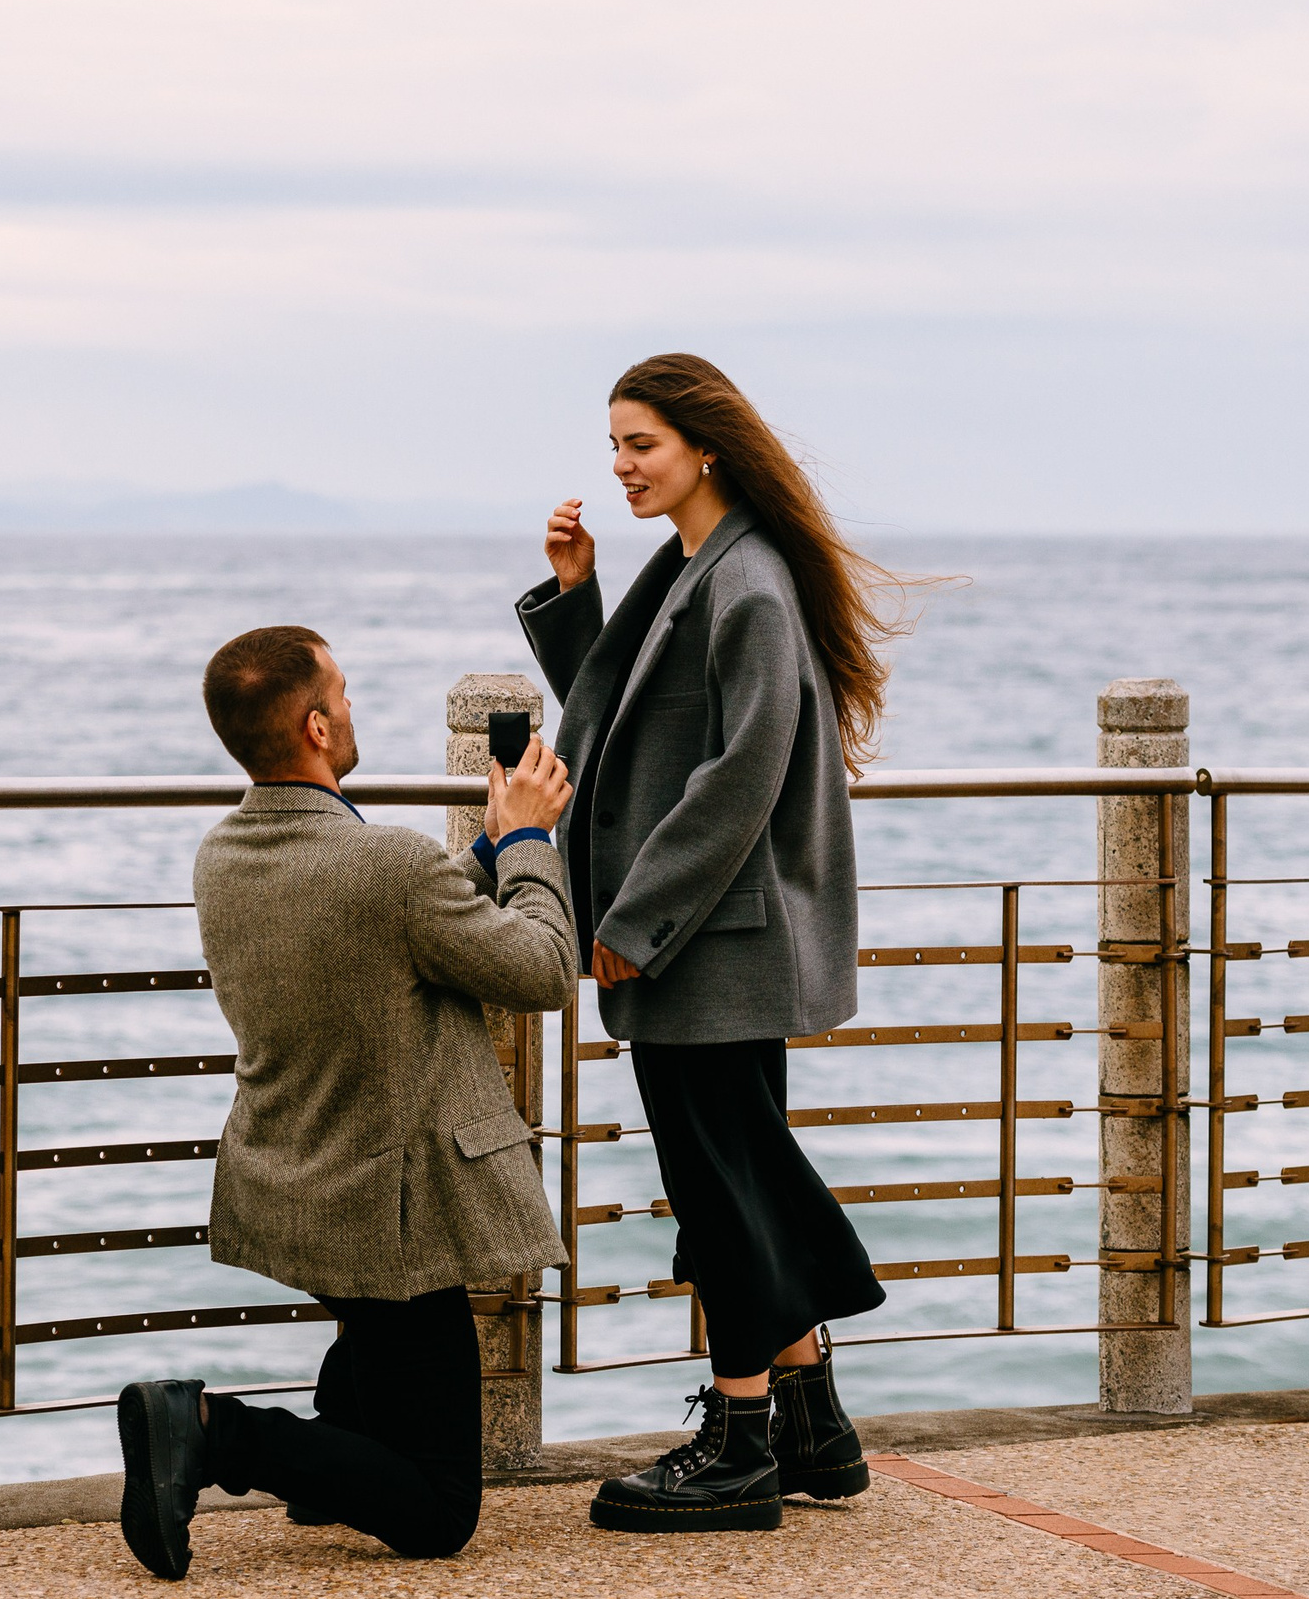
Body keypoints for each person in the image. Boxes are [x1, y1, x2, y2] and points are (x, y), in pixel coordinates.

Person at [516, 353, 900, 1534]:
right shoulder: (700, 566)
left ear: (706, 446)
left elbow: (740, 776)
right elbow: (630, 719)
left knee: (719, 1191)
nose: (621, 467)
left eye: (641, 444)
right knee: (734, 1174)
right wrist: (575, 593)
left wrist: (635, 922)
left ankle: (738, 1441)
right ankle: (811, 1426)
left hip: (706, 941)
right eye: (615, 445)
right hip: (706, 938)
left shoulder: (747, 582)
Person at [115, 625, 577, 1581]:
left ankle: (332, 1463)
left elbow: (380, 925)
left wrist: (487, 847)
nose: (354, 707)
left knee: (375, 1375)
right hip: (393, 1220)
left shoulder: (222, 856)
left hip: (294, 1182)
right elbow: (541, 969)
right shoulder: (388, 867)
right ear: (318, 728)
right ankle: (211, 1431)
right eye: (345, 694)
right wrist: (532, 844)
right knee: (440, 1512)